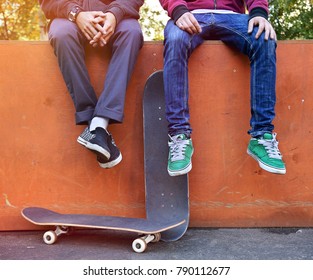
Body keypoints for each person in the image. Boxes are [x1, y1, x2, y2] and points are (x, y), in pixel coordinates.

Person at [159, 0, 286, 176]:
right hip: (191, 15)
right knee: (175, 39)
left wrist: (258, 12)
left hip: (234, 18)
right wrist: (178, 10)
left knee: (264, 38)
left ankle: (262, 135)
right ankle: (179, 136)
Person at [39, 0, 144, 168]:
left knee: (132, 32)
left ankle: (97, 126)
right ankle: (96, 125)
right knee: (61, 33)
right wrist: (76, 14)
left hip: (117, 17)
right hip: (69, 18)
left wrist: (114, 14)